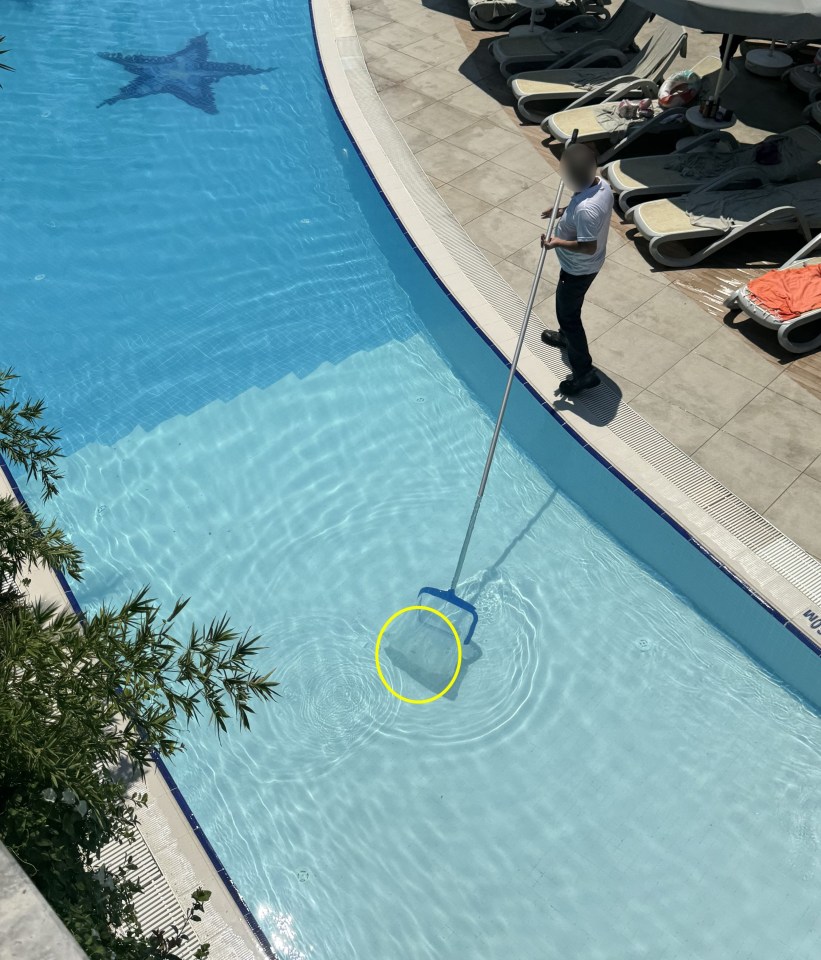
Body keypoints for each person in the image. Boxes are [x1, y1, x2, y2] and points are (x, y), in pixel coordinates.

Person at [539, 142, 613, 396]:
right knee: (568, 309)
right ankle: (565, 337)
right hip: (577, 266)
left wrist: (557, 242)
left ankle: (584, 374)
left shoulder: (586, 210)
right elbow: (580, 206)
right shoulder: (600, 185)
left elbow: (588, 246)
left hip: (579, 269)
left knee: (569, 315)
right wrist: (562, 211)